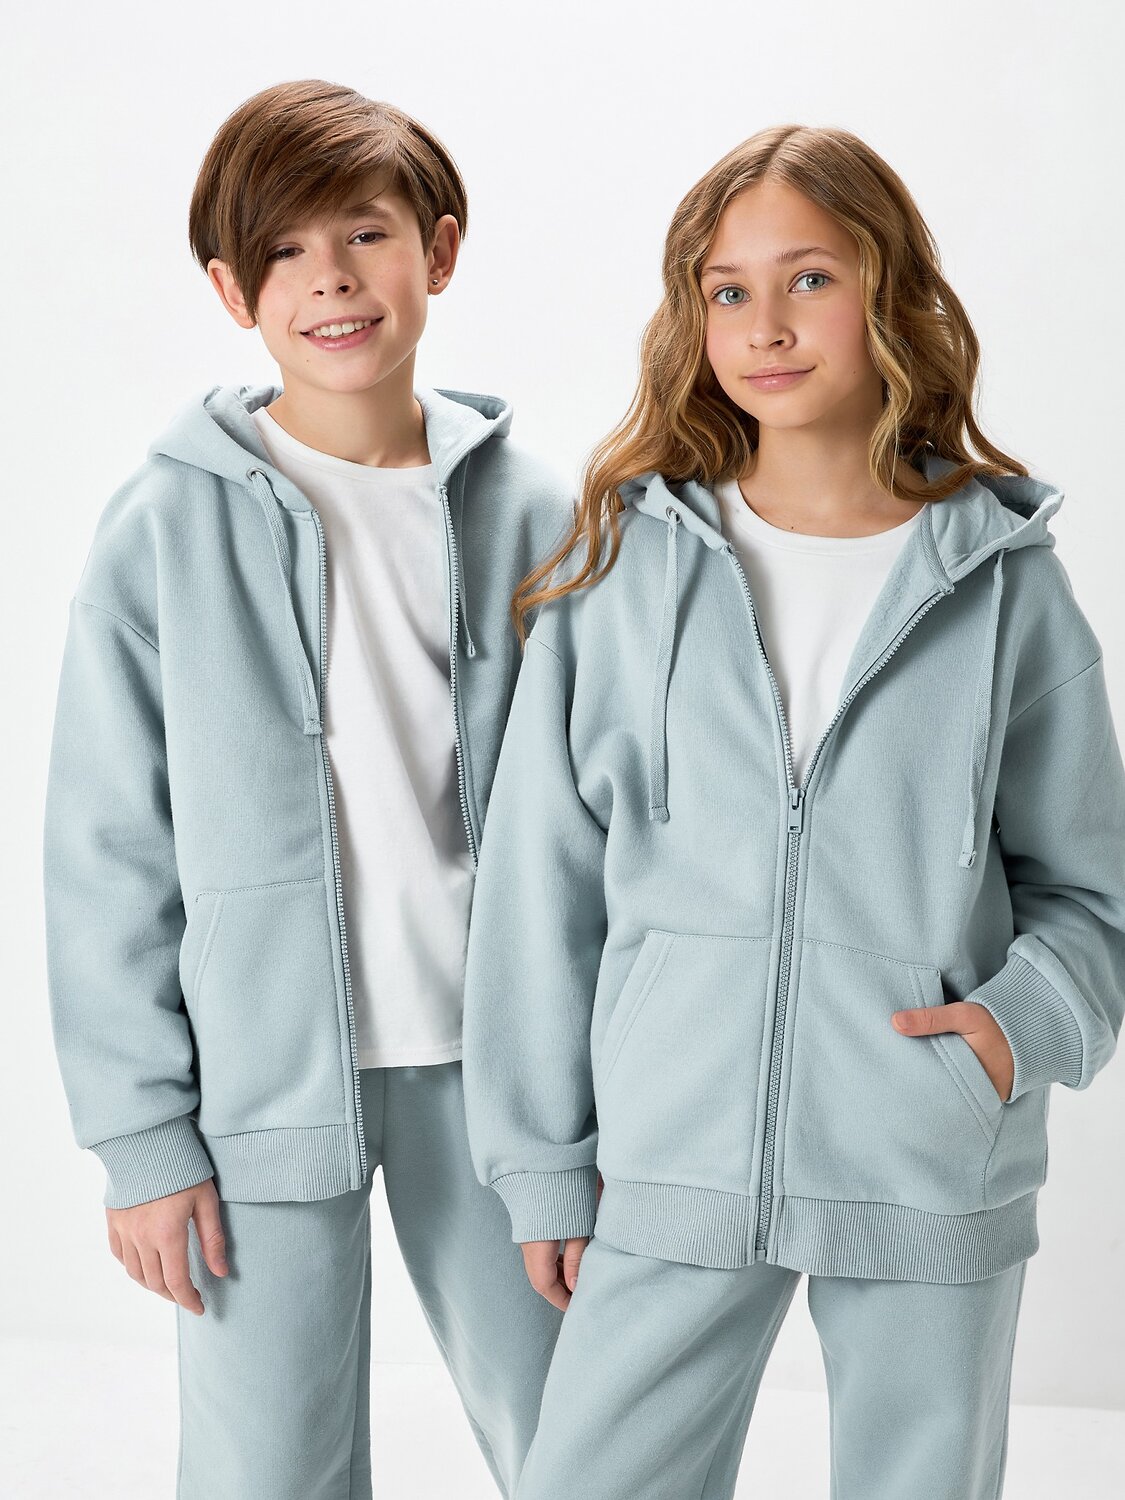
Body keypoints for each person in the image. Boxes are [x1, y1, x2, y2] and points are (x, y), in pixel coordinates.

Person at [460, 123, 1125, 1499]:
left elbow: (1091, 889)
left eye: (808, 278)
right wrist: (543, 1165)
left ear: (891, 292)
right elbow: (538, 890)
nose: (764, 325)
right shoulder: (622, 571)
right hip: (668, 1145)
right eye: (727, 290)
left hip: (927, 1146)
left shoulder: (1003, 583)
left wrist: (1014, 1029)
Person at [42, 78, 574, 1500]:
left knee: (579, 1443)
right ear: (232, 290)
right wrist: (142, 1138)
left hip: (506, 1085)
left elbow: (607, 817)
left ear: (439, 252)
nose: (329, 278)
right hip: (255, 1087)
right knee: (263, 1466)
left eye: (364, 234)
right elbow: (105, 849)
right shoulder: (165, 523)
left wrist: (594, 1112)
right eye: (282, 250)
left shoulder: (543, 512)